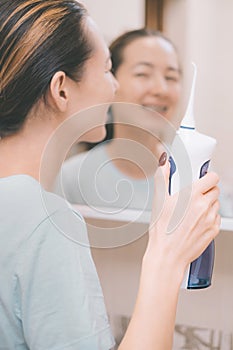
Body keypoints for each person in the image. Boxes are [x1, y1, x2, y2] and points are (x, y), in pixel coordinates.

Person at [0, 1, 220, 350]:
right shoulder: (44, 219)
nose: (115, 87)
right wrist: (166, 257)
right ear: (61, 89)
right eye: (106, 70)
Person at [53, 29, 182, 209]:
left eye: (171, 77)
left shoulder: (193, 171)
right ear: (111, 81)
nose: (161, 89)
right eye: (142, 74)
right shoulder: (71, 179)